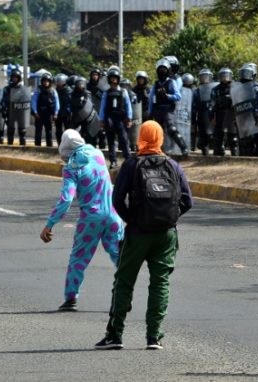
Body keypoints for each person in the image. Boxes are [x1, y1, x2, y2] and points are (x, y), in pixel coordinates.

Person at [95, 120, 192, 350]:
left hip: (138, 234)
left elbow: (117, 200)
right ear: (160, 138)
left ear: (142, 136)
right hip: (166, 235)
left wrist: (133, 219)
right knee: (160, 284)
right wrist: (170, 218)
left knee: (124, 282)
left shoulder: (132, 164)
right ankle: (154, 337)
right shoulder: (173, 165)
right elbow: (187, 201)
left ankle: (115, 334)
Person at [40, 129, 124, 312]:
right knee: (120, 257)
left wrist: (50, 223)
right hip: (113, 215)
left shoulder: (71, 168)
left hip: (91, 219)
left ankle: (71, 298)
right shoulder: (98, 154)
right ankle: (125, 297)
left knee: (78, 258)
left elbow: (66, 199)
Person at [149, 59, 189, 157]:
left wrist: (167, 96)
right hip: (157, 110)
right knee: (157, 131)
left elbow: (178, 96)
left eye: (164, 69)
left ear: (168, 71)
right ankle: (157, 151)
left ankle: (184, 148)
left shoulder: (171, 82)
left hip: (168, 110)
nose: (162, 71)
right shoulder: (156, 84)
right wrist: (150, 112)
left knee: (171, 128)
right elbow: (151, 98)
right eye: (160, 69)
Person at [99, 66, 133, 168]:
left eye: (115, 78)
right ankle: (113, 161)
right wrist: (101, 120)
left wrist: (129, 118)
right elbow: (102, 107)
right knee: (111, 141)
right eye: (111, 78)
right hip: (109, 119)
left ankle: (128, 160)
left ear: (118, 79)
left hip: (121, 120)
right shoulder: (106, 93)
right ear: (109, 79)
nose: (113, 80)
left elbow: (128, 106)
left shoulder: (123, 92)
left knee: (124, 140)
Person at [211, 67, 239, 156]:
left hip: (232, 114)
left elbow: (239, 102)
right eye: (223, 75)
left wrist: (237, 116)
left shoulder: (236, 88)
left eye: (226, 75)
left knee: (233, 136)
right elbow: (212, 104)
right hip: (220, 114)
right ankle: (217, 155)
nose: (225, 77)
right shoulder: (215, 89)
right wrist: (211, 116)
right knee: (218, 137)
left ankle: (235, 156)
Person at [2, 65, 31, 146]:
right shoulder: (7, 89)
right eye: (13, 77)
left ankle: (23, 147)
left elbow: (27, 100)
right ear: (11, 78)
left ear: (19, 78)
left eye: (16, 77)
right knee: (10, 130)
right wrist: (4, 109)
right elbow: (3, 100)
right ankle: (10, 147)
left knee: (22, 131)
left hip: (21, 111)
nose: (15, 79)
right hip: (11, 111)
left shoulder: (23, 89)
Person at [32, 71, 60, 147]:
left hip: (49, 113)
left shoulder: (53, 91)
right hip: (39, 113)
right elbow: (34, 101)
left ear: (50, 82)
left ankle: (49, 146)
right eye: (44, 81)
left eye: (47, 81)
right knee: (38, 131)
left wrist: (56, 113)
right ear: (42, 82)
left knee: (49, 131)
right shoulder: (38, 90)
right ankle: (37, 146)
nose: (46, 83)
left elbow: (57, 102)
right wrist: (35, 112)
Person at [70, 77, 100, 147]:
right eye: (79, 84)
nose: (80, 85)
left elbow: (90, 106)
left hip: (87, 118)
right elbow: (71, 104)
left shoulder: (87, 94)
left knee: (88, 135)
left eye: (82, 84)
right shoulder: (72, 94)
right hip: (76, 117)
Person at [55, 74, 73, 146]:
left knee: (68, 130)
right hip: (58, 113)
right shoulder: (55, 91)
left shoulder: (69, 91)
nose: (59, 84)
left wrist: (70, 112)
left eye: (60, 82)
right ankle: (60, 144)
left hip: (67, 114)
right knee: (58, 130)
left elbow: (71, 103)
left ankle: (68, 145)